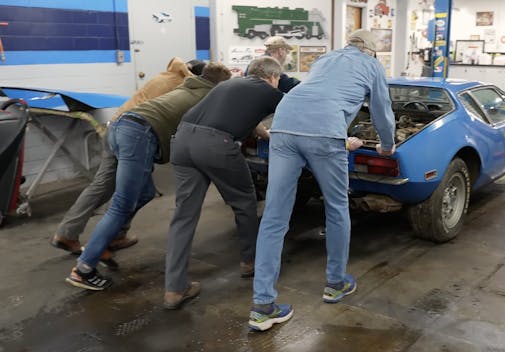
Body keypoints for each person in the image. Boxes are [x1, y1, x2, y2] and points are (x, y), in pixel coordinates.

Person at [248, 29, 396, 331]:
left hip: (284, 123)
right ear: (372, 51)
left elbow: (316, 90)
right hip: (326, 130)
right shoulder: (372, 65)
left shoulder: (326, 58)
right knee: (337, 208)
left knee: (274, 217)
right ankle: (336, 282)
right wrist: (388, 146)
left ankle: (262, 306)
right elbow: (382, 111)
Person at [64, 62, 232, 291]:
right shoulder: (208, 97)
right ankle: (83, 269)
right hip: (137, 134)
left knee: (145, 193)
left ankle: (108, 238)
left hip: (119, 127)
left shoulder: (186, 85)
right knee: (122, 204)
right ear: (220, 85)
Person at [163, 56, 284, 309]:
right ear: (273, 77)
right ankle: (249, 262)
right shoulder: (268, 90)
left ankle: (174, 288)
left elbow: (246, 119)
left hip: (182, 140)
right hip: (216, 145)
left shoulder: (229, 85)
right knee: (244, 201)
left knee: (184, 215)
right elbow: (297, 112)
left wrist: (264, 133)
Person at [50, 57, 196, 259]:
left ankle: (67, 233)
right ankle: (108, 239)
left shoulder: (165, 76)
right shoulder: (183, 87)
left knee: (101, 186)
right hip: (134, 136)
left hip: (114, 127)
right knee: (137, 194)